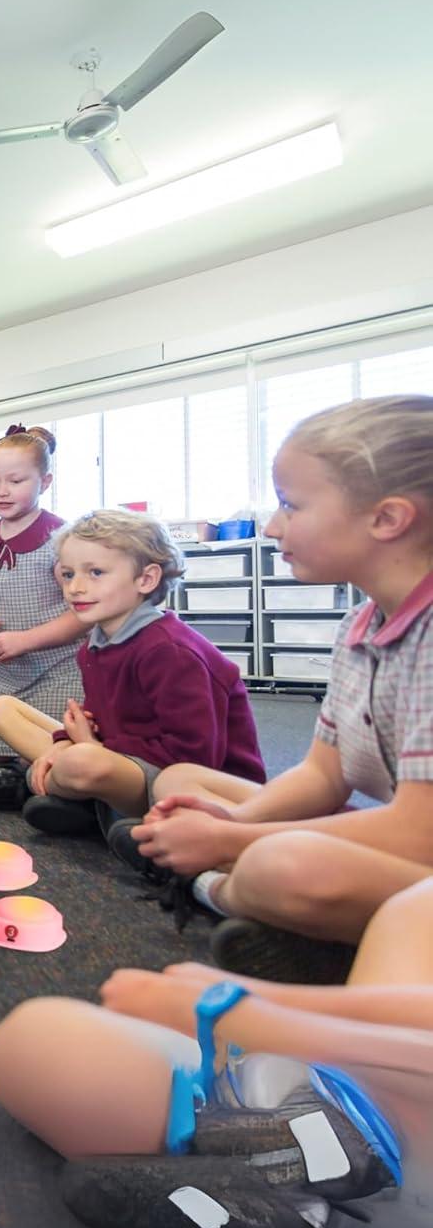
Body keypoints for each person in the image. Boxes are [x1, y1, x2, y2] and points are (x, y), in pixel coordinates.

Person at [120, 396, 433, 984]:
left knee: (280, 866)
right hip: (404, 846)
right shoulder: (358, 625)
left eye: (291, 504)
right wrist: (228, 820)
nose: (271, 525)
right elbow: (322, 775)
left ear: (387, 519)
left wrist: (232, 836)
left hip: (417, 844)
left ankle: (221, 890)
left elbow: (419, 831)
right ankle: (281, 908)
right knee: (185, 781)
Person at [0, 875, 433, 1228]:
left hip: (375, 1096)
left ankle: (303, 1157)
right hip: (343, 1065)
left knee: (36, 1044)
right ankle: (290, 1165)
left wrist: (240, 1011)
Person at [0, 509, 264, 841]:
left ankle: (44, 788)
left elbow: (195, 757)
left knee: (82, 764)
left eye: (96, 572)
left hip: (195, 782)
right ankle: (75, 796)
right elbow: (102, 721)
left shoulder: (169, 650)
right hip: (124, 759)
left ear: (146, 579)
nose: (76, 588)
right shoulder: (95, 646)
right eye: (69, 574)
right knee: (2, 708)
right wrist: (67, 742)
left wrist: (84, 746)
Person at [0, 426, 87, 810]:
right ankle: (31, 778)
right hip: (5, 667)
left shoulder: (63, 540)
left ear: (45, 481)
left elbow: (84, 616)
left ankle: (34, 781)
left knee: (52, 749)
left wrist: (24, 640)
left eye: (15, 480)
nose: (1, 491)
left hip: (62, 666)